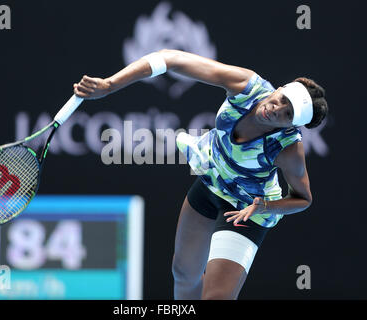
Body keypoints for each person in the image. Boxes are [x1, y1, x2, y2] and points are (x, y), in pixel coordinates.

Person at [72, 49, 328, 300]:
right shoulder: (246, 85)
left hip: (246, 208)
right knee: (183, 274)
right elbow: (172, 59)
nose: (277, 109)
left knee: (217, 296)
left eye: (288, 114)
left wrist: (265, 207)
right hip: (212, 183)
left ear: (292, 125)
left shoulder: (288, 149)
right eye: (283, 99)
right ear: (281, 88)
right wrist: (109, 84)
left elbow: (303, 199)